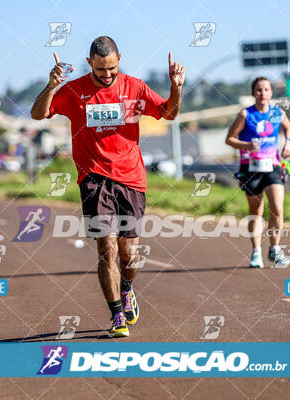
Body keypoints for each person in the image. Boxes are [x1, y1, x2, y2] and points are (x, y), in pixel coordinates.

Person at [31, 36, 185, 337]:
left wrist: (176, 87)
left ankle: (126, 288)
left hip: (131, 178)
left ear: (119, 60)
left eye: (112, 68)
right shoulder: (74, 90)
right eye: (101, 70)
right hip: (94, 178)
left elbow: (169, 113)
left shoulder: (135, 87)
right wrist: (51, 86)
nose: (107, 75)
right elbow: (38, 114)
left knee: (129, 255)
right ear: (90, 63)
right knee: (107, 248)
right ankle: (117, 315)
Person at [225, 77, 290, 268]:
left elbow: (289, 128)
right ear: (253, 93)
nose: (262, 93)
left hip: (273, 166)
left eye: (266, 90)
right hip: (251, 168)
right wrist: (246, 145)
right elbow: (229, 138)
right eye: (258, 90)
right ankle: (256, 251)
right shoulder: (246, 115)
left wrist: (289, 142)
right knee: (256, 212)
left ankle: (275, 249)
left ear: (271, 93)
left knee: (277, 209)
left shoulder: (277, 113)